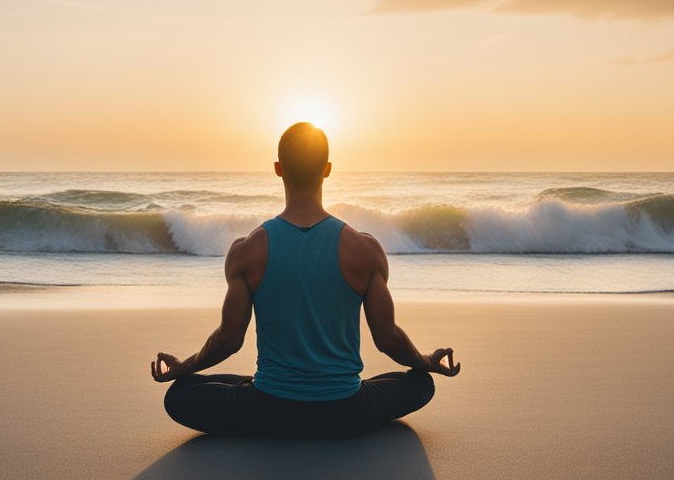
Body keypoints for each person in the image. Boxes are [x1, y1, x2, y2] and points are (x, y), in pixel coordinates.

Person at [151, 121, 461, 438]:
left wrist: (183, 367)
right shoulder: (364, 249)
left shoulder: (247, 251)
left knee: (181, 393)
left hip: (270, 409)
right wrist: (426, 361)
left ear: (278, 169)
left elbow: (229, 340)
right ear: (326, 169)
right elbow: (388, 339)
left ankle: (269, 385)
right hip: (345, 410)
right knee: (421, 382)